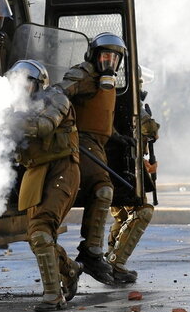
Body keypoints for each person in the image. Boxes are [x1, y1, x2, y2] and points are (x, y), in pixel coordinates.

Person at [7, 59, 81, 312]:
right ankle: (70, 270)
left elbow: (44, 125)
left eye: (26, 84)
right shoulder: (13, 109)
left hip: (62, 168)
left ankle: (53, 295)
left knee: (41, 232)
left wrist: (11, 121)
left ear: (38, 85)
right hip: (35, 172)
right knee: (36, 237)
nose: (20, 90)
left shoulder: (56, 100)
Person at [55, 32, 127, 285]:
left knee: (105, 190)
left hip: (99, 143)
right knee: (103, 190)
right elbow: (58, 95)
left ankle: (93, 252)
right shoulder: (83, 74)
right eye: (105, 55)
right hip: (82, 142)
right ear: (93, 56)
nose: (109, 61)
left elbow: (100, 115)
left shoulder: (105, 82)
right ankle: (92, 252)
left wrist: (116, 136)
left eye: (114, 58)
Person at [106, 99, 160, 283]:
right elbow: (149, 129)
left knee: (122, 216)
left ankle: (109, 261)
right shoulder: (128, 102)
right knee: (142, 211)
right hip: (123, 165)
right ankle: (115, 263)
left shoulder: (105, 98)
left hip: (110, 164)